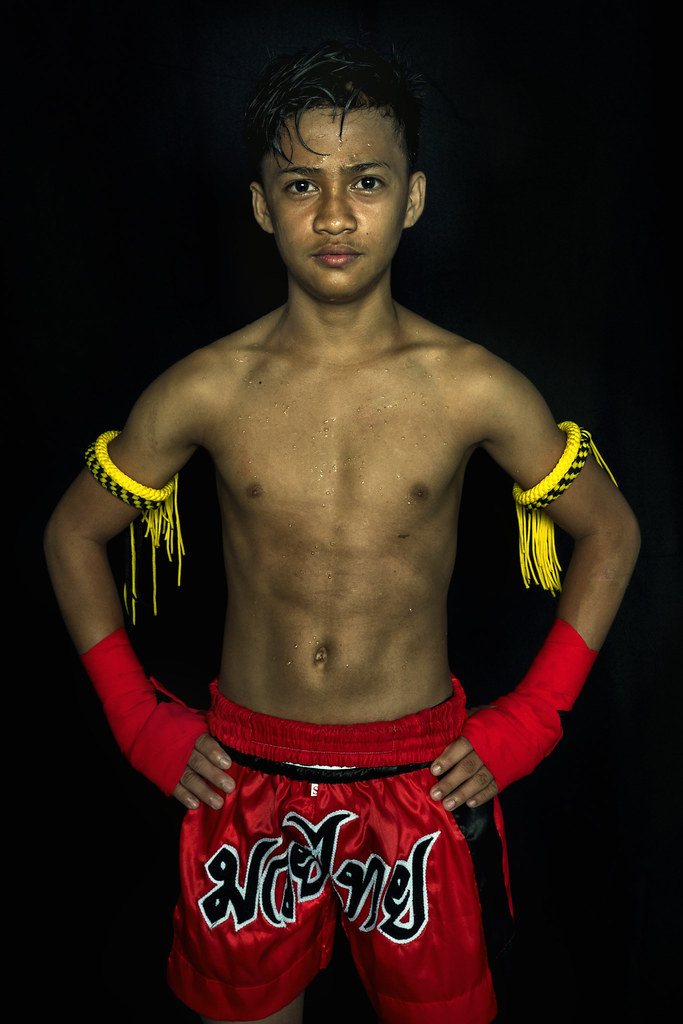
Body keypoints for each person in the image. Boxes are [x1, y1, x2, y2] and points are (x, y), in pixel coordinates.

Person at [44, 41, 640, 1024]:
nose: (331, 214)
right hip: (247, 781)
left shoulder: (472, 386)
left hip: (418, 781)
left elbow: (608, 530)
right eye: (300, 184)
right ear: (258, 204)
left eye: (364, 180)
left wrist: (532, 717)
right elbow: (72, 533)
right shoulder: (206, 388)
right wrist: (137, 719)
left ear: (411, 197)